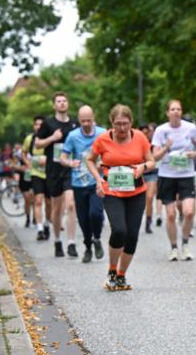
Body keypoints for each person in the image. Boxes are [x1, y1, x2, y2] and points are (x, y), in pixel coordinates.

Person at [85, 104, 155, 291]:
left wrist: (143, 167)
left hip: (137, 192)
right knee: (119, 230)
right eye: (118, 124)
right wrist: (98, 180)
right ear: (111, 123)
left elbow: (151, 161)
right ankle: (112, 270)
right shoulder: (103, 139)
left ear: (131, 122)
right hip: (112, 191)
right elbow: (90, 159)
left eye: (125, 123)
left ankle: (122, 275)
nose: (122, 128)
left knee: (132, 235)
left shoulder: (139, 137)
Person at [151, 100, 196, 260]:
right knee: (171, 215)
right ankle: (174, 248)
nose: (176, 112)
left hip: (186, 175)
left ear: (181, 112)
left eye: (178, 109)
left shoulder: (190, 128)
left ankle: (185, 244)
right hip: (167, 175)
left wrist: (195, 153)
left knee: (189, 212)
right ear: (167, 113)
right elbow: (154, 156)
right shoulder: (161, 130)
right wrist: (166, 147)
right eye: (173, 109)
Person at [35, 93, 79, 257]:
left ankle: (71, 243)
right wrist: (53, 138)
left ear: (68, 103)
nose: (62, 103)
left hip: (70, 169)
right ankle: (57, 240)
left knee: (71, 204)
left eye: (64, 101)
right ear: (54, 105)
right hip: (53, 170)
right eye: (58, 101)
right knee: (56, 208)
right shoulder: (48, 123)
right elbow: (37, 144)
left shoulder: (74, 124)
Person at [61, 106, 106, 264]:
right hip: (79, 183)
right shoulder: (73, 136)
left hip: (97, 181)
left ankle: (97, 239)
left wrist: (104, 163)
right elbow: (63, 157)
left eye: (89, 120)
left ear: (93, 118)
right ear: (79, 120)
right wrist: (69, 163)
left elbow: (111, 152)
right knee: (83, 218)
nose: (86, 124)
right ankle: (88, 247)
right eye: (83, 121)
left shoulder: (102, 133)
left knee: (96, 213)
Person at [24, 116, 50, 240]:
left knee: (49, 203)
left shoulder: (50, 138)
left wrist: (48, 160)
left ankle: (46, 224)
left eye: (41, 124)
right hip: (36, 173)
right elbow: (23, 153)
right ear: (33, 126)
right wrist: (28, 163)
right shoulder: (30, 139)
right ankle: (39, 229)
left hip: (49, 174)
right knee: (38, 200)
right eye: (36, 124)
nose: (38, 127)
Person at [140, 122, 161, 234]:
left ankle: (148, 222)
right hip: (139, 174)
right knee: (140, 200)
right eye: (142, 133)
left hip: (151, 174)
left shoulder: (153, 145)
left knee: (149, 197)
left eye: (147, 133)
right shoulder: (134, 143)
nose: (145, 135)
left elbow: (154, 158)